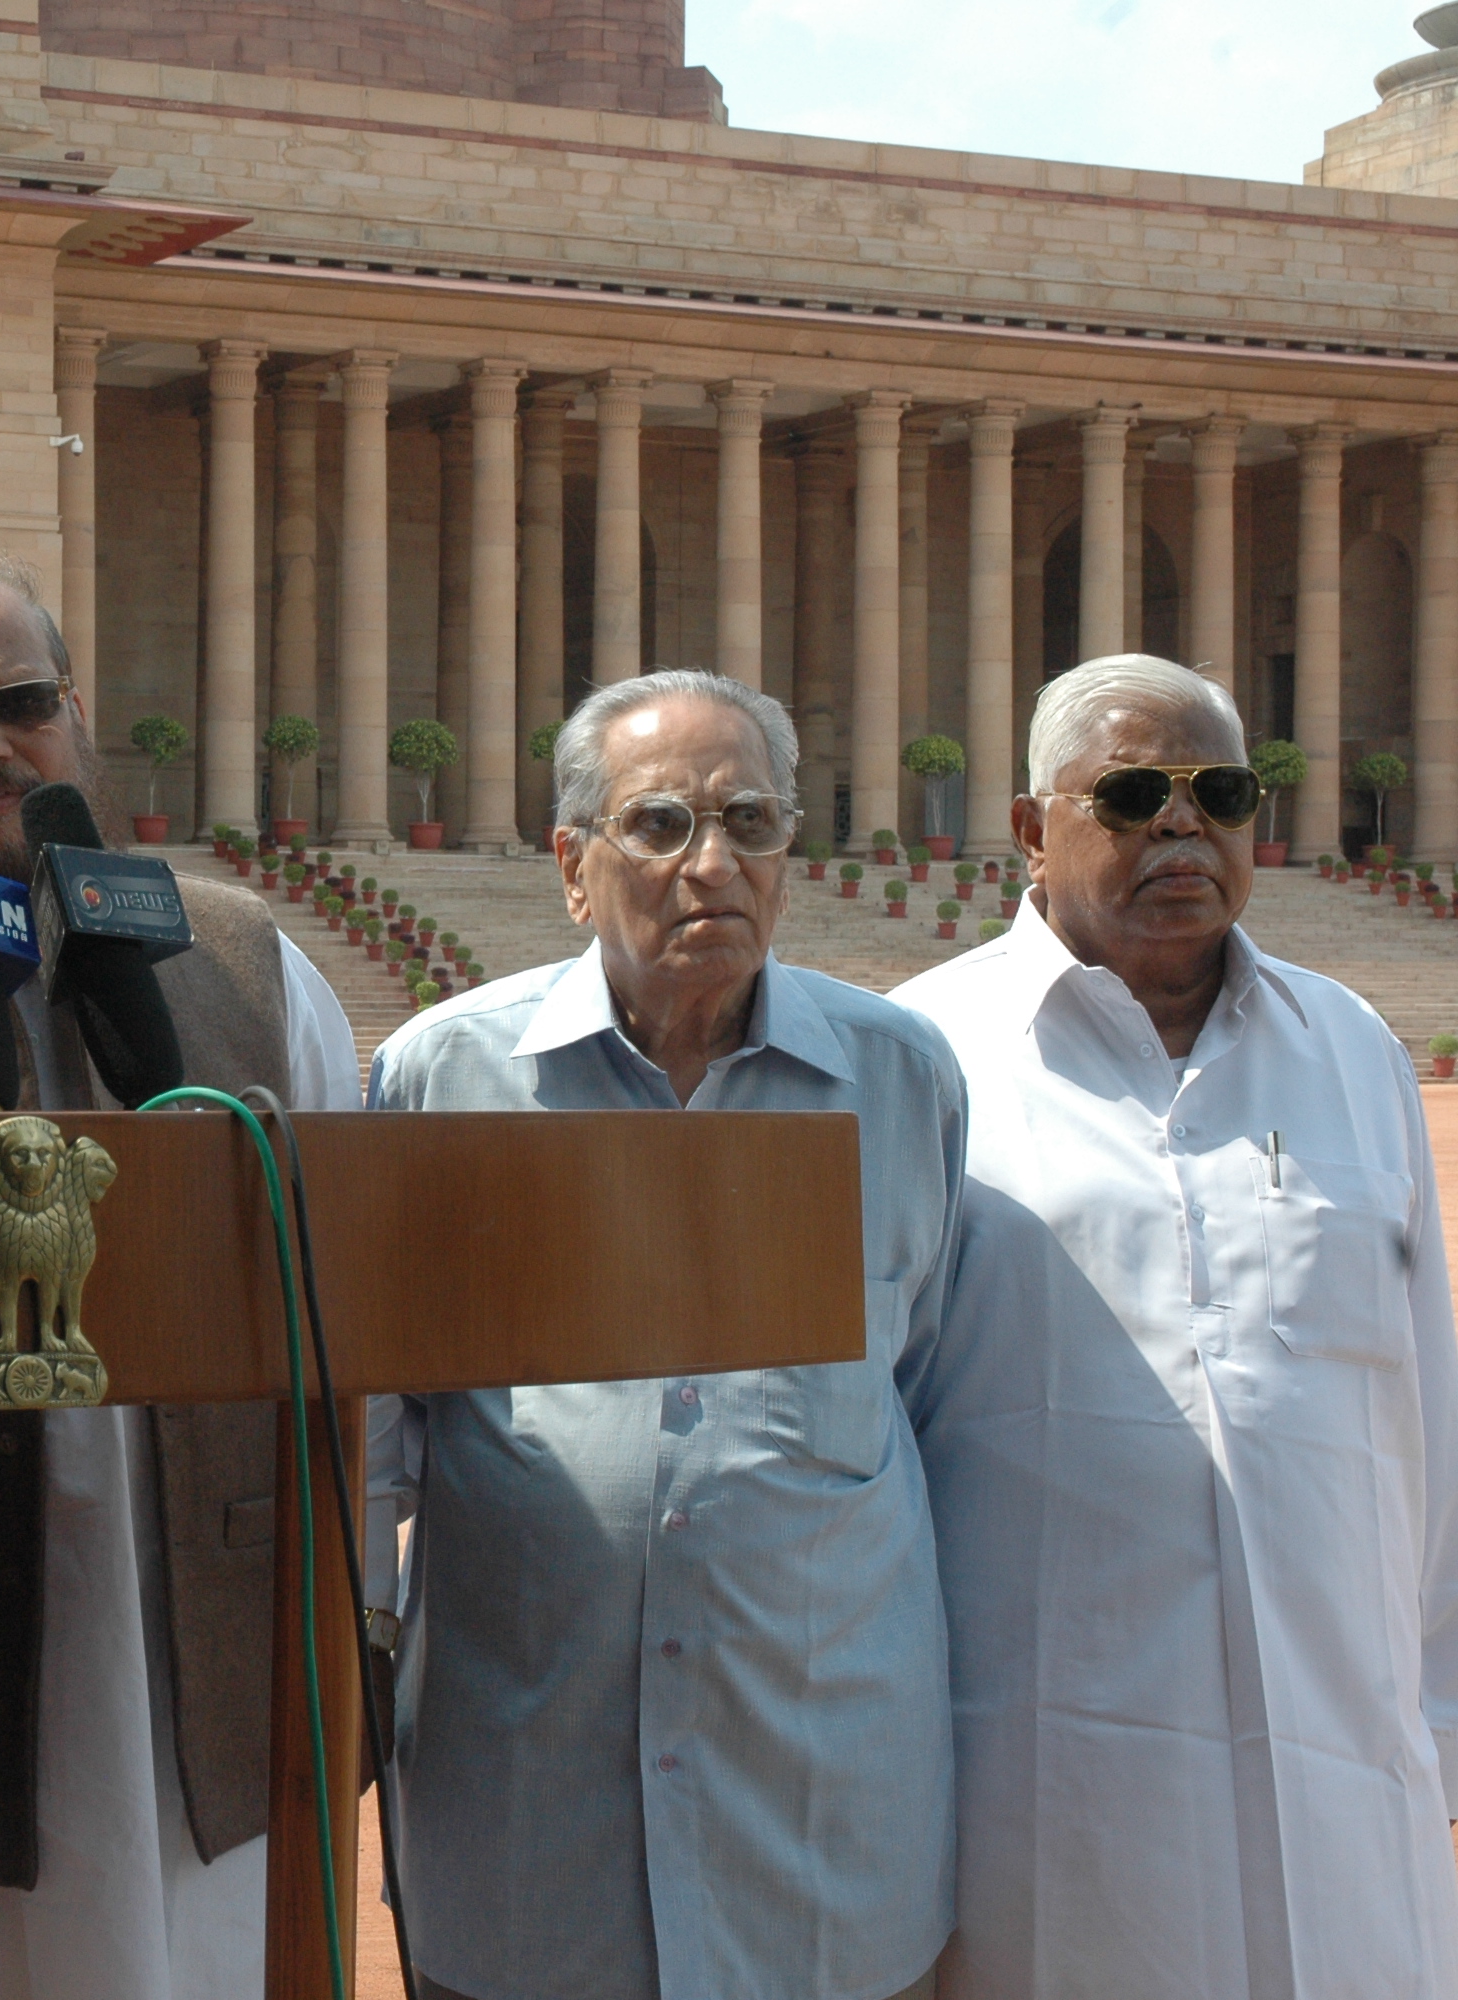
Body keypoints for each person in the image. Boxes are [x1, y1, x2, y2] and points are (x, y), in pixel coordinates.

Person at [364, 669, 964, 2000]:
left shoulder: (899, 1079)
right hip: (531, 1839)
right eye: (661, 826)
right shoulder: (443, 1081)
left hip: (818, 1836)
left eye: (749, 824)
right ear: (574, 868)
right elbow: (376, 1445)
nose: (713, 864)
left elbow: (921, 1382)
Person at [889, 654, 1458, 1998]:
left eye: (1222, 793)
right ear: (1032, 830)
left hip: (1345, 1778)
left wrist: (1432, 1721)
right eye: (1136, 793)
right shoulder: (923, 1062)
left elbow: (1421, 1406)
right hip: (1049, 1795)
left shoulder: (1354, 1050)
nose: (1182, 826)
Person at [0, 553, 354, 1996]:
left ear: (76, 717)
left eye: (18, 702)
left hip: (205, 1625)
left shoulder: (242, 956)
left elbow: (344, 1288)